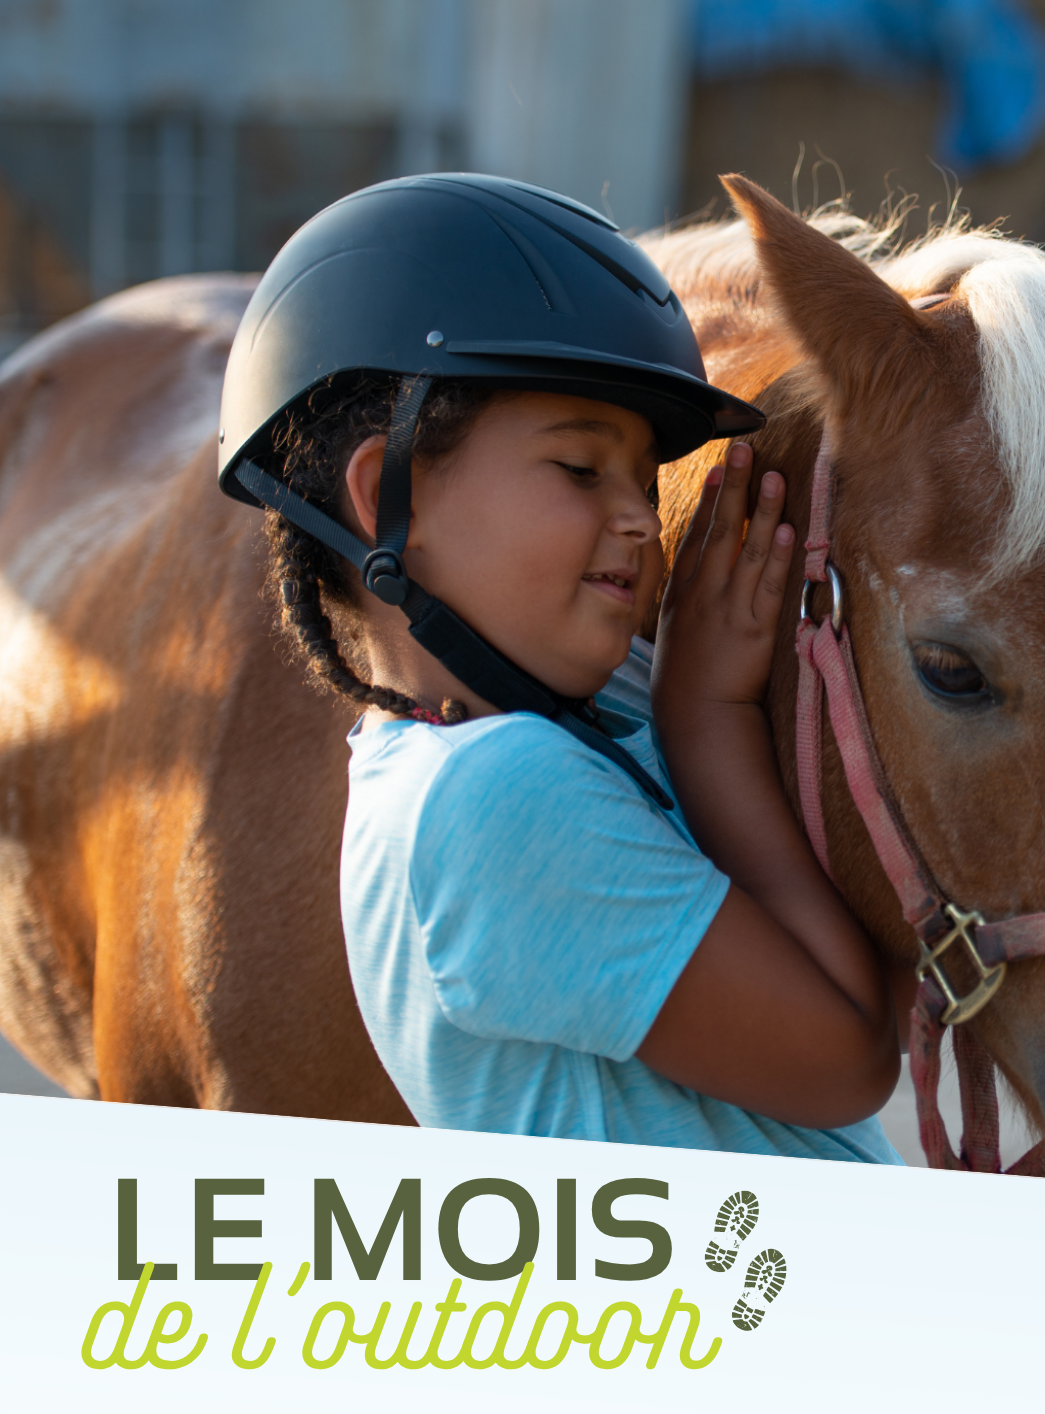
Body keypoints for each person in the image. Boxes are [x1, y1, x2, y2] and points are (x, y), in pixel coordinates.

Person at [214, 173, 901, 1163]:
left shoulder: (498, 749)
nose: (636, 517)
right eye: (581, 469)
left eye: (642, 478)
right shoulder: (492, 794)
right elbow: (847, 1054)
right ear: (381, 498)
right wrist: (710, 715)